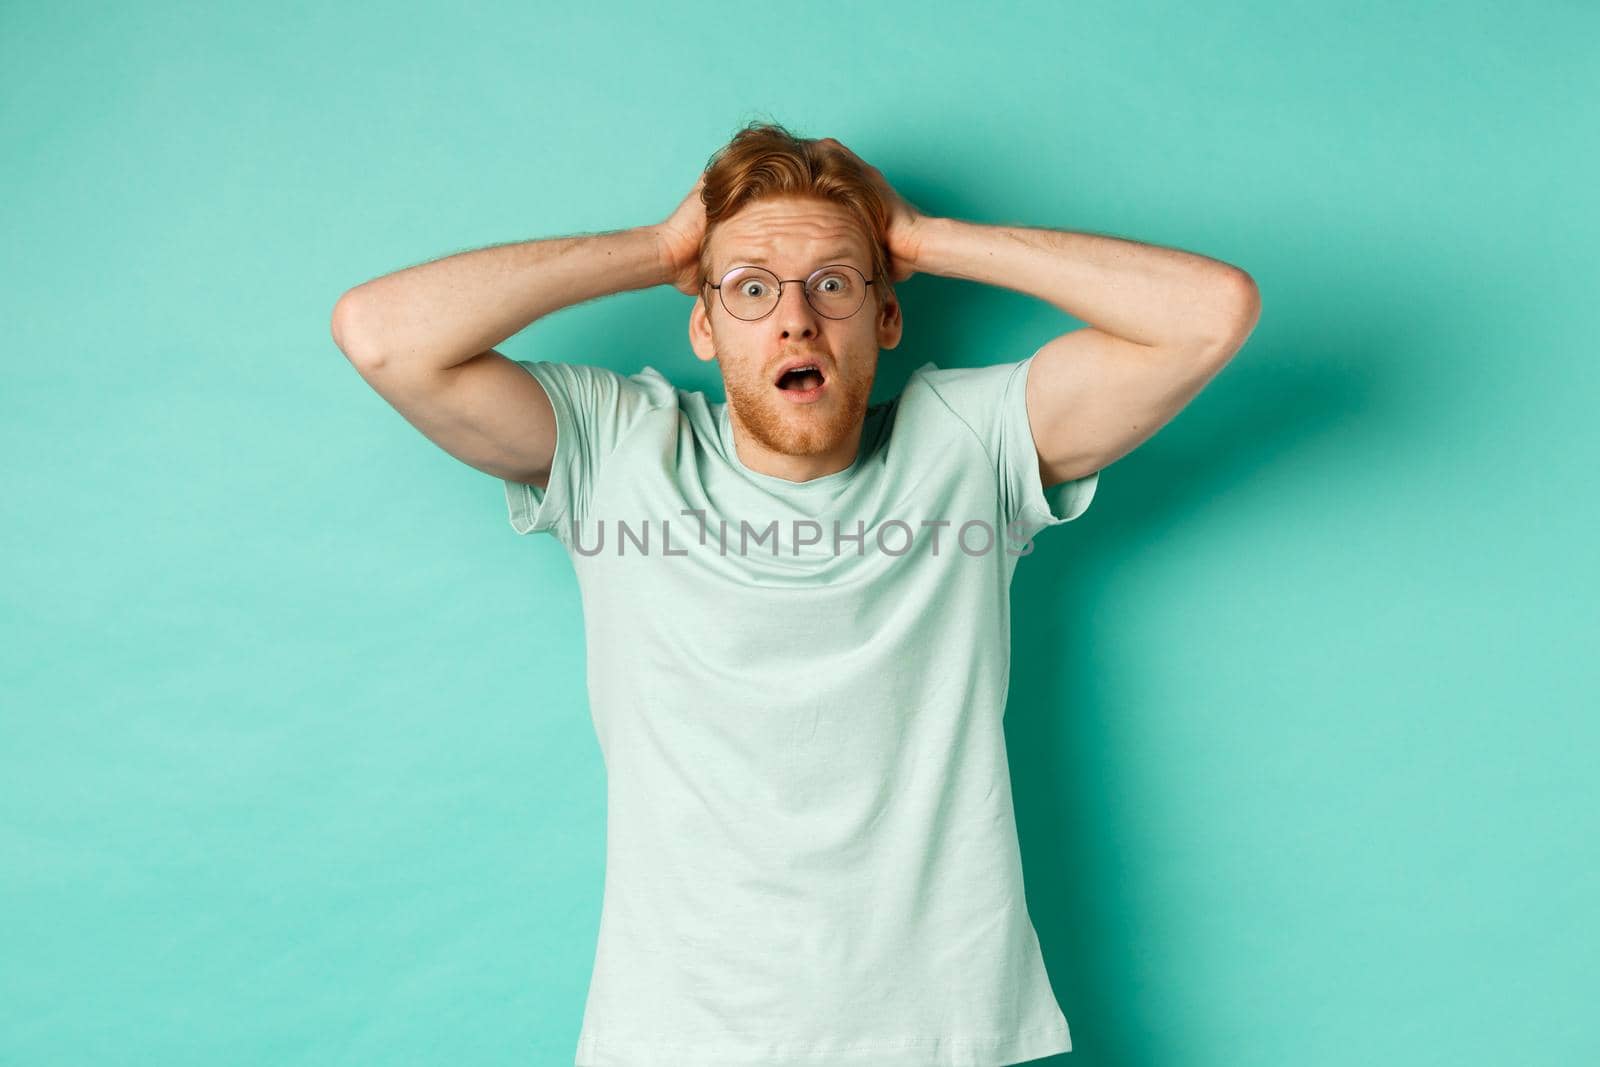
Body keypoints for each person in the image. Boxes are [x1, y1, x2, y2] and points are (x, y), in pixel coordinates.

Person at [331, 121, 1259, 1067]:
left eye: (833, 283)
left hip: (941, 1035)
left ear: (886, 315)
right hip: (681, 1037)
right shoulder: (616, 447)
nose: (794, 319)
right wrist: (660, 250)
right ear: (703, 322)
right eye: (750, 288)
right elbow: (382, 337)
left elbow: (1210, 312)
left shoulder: (967, 444)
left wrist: (927, 238)